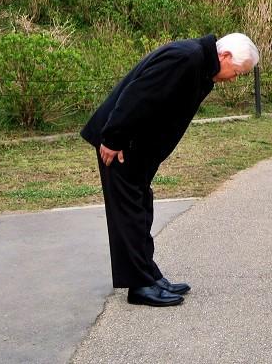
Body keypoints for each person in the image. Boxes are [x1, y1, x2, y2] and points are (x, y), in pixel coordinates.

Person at [81, 33, 260, 307]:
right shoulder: (186, 58)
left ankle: (149, 275)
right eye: (237, 72)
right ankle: (139, 286)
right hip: (120, 145)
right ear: (224, 56)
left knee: (141, 208)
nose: (234, 79)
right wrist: (113, 138)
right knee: (129, 214)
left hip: (136, 148)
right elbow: (139, 95)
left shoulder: (200, 66)